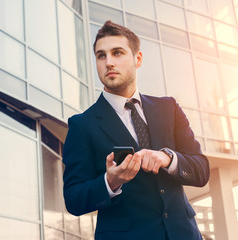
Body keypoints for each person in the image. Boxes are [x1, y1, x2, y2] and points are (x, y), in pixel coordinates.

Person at [62, 20, 210, 240]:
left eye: (117, 53)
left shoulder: (168, 108)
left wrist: (166, 158)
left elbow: (201, 171)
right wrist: (110, 181)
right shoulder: (82, 125)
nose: (108, 62)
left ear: (137, 59)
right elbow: (73, 199)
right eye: (101, 56)